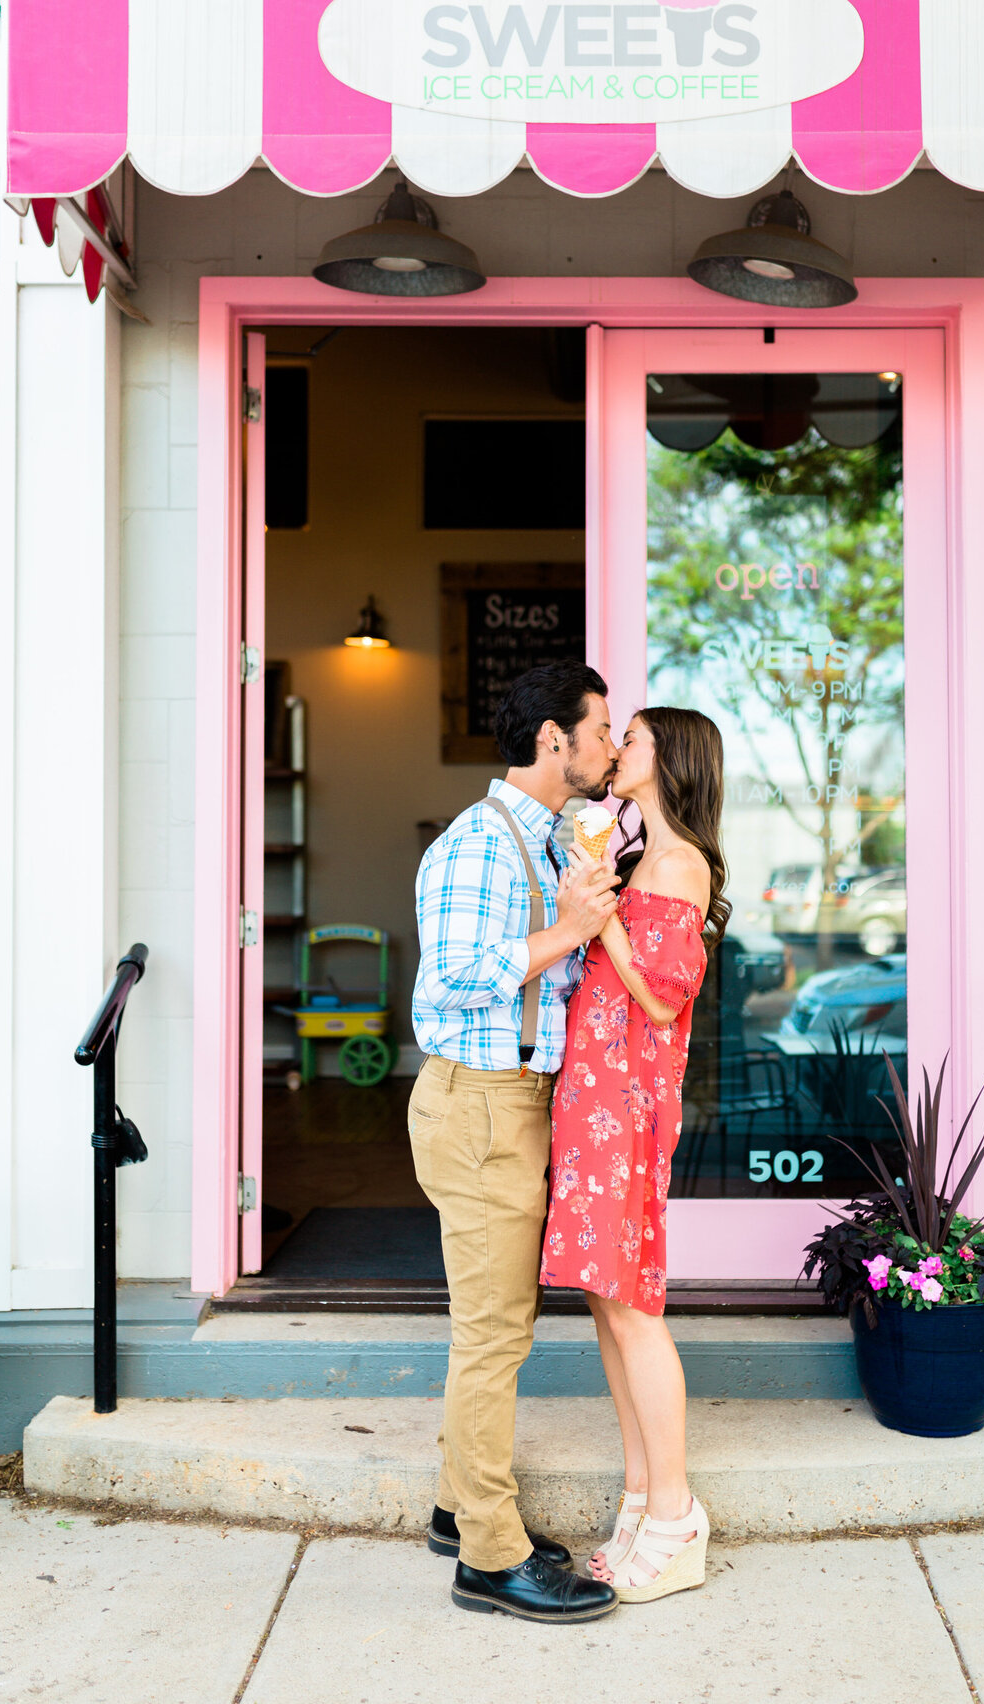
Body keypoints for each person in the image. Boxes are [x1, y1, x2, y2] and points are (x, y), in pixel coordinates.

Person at [409, 660, 622, 1623]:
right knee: (492, 1338)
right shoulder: (479, 846)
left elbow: (552, 985)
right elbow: (446, 984)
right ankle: (489, 1560)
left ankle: (463, 1509)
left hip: (513, 1102)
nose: (612, 748)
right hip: (483, 1105)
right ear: (553, 740)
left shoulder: (540, 845)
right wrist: (565, 932)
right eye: (601, 731)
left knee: (502, 1327)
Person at [540, 706, 729, 1604]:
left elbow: (661, 998)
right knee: (605, 1299)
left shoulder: (680, 862)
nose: (617, 750)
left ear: (670, 762)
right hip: (590, 1092)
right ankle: (640, 1494)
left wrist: (600, 913)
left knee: (633, 1301)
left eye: (635, 740)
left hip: (627, 1098)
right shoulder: (630, 848)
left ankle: (677, 1514)